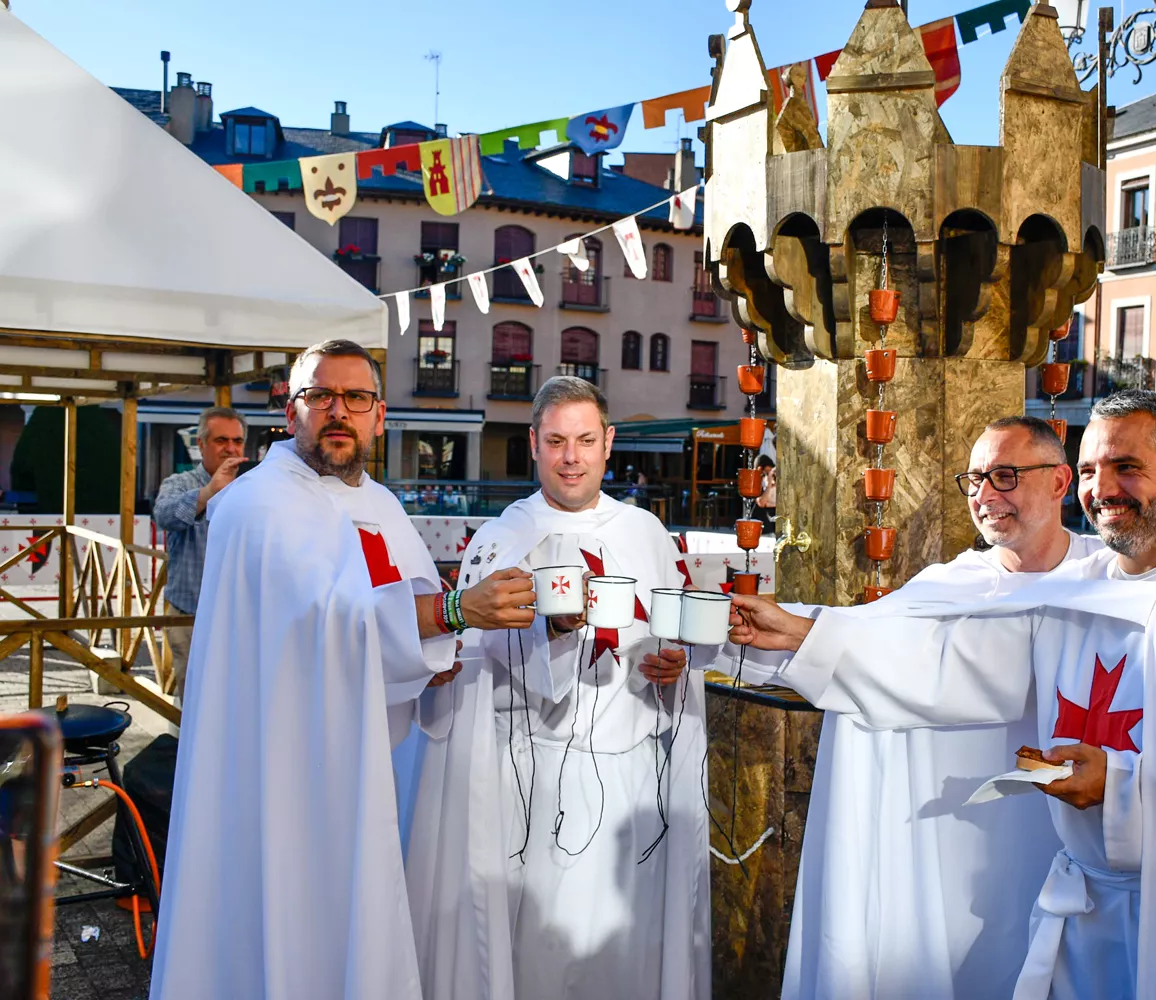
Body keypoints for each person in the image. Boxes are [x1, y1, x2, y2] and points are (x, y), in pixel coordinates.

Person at [727, 390, 1156, 1000]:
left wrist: (1119, 784)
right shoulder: (1079, 584)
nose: (1104, 489)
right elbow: (955, 665)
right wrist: (809, 637)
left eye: (1127, 467)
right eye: (1094, 469)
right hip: (1081, 906)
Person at [150, 340, 537, 1000]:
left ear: (379, 416)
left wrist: (434, 657)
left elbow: (404, 621)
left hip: (379, 764)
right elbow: (322, 620)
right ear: (289, 409)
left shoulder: (383, 506)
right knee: (291, 930)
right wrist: (451, 611)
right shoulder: (255, 507)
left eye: (355, 398)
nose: (338, 411)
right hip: (286, 775)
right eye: (319, 396)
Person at [735, 416, 1089, 999]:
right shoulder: (947, 584)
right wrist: (788, 630)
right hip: (945, 838)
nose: (984, 496)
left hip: (1064, 834)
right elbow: (875, 638)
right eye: (974, 479)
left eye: (1004, 476)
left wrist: (806, 634)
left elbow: (984, 667)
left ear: (1058, 482)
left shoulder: (1108, 582)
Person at [400, 376, 708, 1000]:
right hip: (530, 781)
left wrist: (677, 662)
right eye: (558, 441)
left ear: (608, 444)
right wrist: (550, 632)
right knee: (540, 945)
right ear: (534, 444)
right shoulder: (498, 540)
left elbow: (680, 636)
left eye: (586, 441)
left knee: (625, 940)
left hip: (630, 777)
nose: (572, 457)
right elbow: (466, 662)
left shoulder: (646, 533)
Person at [152, 406, 247, 701]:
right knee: (196, 703)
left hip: (241, 618)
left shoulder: (252, 487)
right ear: (201, 444)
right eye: (221, 440)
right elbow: (163, 515)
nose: (230, 448)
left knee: (237, 702)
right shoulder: (179, 483)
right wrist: (209, 492)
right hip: (191, 616)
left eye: (237, 441)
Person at [755, 455, 777, 530]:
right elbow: (762, 502)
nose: (769, 474)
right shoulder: (758, 482)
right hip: (766, 520)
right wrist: (769, 484)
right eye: (767, 472)